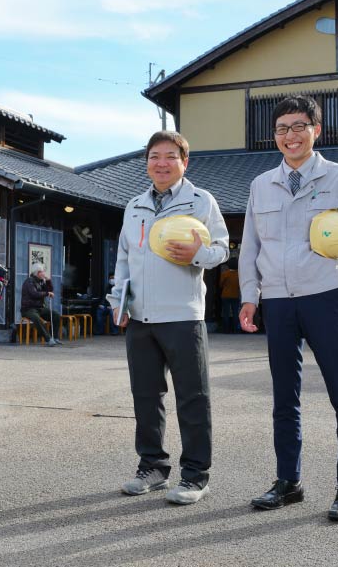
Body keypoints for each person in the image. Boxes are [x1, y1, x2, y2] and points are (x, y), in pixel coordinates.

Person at [238, 95, 338, 522]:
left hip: (325, 295)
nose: (291, 135)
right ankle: (289, 482)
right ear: (275, 136)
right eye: (283, 128)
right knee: (285, 398)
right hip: (278, 301)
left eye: (299, 126)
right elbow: (250, 246)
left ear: (316, 130)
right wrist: (251, 296)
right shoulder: (260, 184)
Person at [109, 130, 230, 505]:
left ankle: (196, 475)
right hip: (140, 317)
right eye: (154, 156)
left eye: (169, 156)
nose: (161, 163)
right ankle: (153, 467)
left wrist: (198, 252)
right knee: (146, 396)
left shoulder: (200, 201)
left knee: (193, 397)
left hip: (183, 316)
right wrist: (119, 302)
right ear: (146, 163)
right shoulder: (134, 205)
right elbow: (125, 259)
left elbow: (223, 249)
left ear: (184, 162)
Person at [20, 264, 63, 346]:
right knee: (37, 319)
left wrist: (48, 281)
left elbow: (50, 290)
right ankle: (48, 339)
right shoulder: (29, 281)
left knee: (56, 315)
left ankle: (55, 337)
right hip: (28, 309)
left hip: (40, 308)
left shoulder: (41, 281)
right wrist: (47, 293)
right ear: (38, 273)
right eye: (42, 271)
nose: (44, 273)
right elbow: (34, 294)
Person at [219, 259, 241, 333]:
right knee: (235, 313)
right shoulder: (239, 274)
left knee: (226, 313)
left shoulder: (225, 274)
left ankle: (226, 330)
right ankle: (235, 330)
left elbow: (221, 284)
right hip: (235, 295)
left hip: (225, 295)